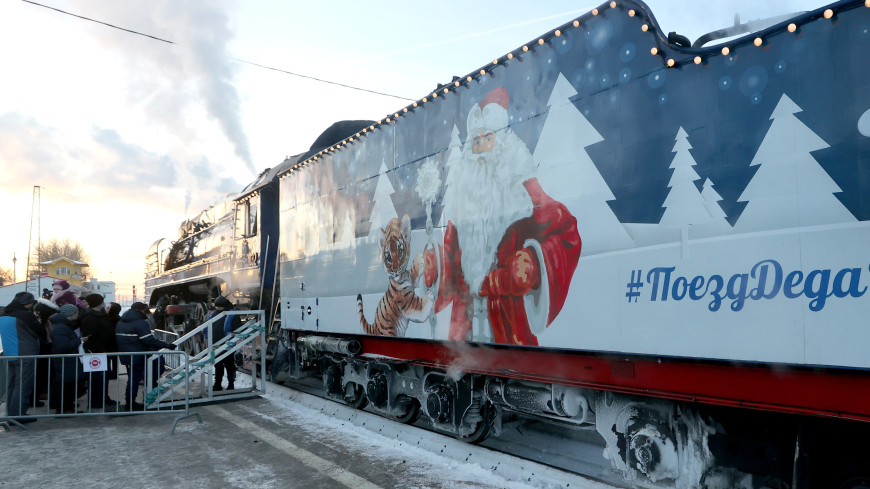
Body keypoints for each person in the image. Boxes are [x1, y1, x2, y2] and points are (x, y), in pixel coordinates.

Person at [426, 87, 582, 346]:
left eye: (487, 139)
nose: (480, 150)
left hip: (507, 325)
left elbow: (567, 232)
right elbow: (450, 269)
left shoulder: (523, 192)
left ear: (502, 145)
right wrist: (433, 266)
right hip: (464, 330)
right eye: (475, 142)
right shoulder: (463, 203)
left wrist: (533, 261)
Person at [115, 302, 175, 409]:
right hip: (138, 356)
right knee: (141, 378)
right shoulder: (141, 323)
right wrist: (166, 345)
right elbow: (148, 340)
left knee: (132, 379)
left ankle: (130, 401)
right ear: (141, 309)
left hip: (126, 356)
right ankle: (138, 401)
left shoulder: (121, 322)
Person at [0, 292, 42, 423]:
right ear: (27, 303)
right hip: (25, 353)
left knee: (12, 385)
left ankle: (12, 414)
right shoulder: (25, 316)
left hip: (9, 354)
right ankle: (18, 415)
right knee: (23, 385)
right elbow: (39, 330)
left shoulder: (4, 314)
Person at [79, 294, 118, 409]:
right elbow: (91, 335)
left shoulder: (95, 315)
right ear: (100, 302)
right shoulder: (91, 317)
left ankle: (103, 398)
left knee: (102, 377)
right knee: (97, 378)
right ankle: (96, 401)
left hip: (102, 350)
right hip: (96, 352)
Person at [49, 304, 83, 414]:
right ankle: (64, 409)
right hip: (65, 361)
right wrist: (79, 340)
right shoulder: (61, 327)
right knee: (67, 386)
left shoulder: (62, 325)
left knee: (67, 385)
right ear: (70, 314)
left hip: (67, 362)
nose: (78, 314)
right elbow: (62, 346)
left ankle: (66, 407)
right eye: (76, 313)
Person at [32, 298, 59, 408]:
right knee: (42, 374)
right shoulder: (40, 322)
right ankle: (39, 395)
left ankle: (41, 394)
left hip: (44, 350)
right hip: (43, 351)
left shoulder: (44, 321)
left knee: (43, 374)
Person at [210, 296, 240, 391]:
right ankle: (217, 384)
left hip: (227, 344)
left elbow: (237, 328)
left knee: (229, 364)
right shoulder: (215, 313)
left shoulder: (233, 314)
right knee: (218, 364)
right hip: (216, 343)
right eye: (216, 307)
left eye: (219, 307)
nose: (217, 309)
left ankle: (231, 384)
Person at [105, 302, 122, 380]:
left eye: (108, 308)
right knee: (112, 358)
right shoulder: (109, 317)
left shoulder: (115, 319)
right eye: (106, 307)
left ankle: (112, 373)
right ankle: (112, 373)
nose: (106, 309)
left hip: (112, 341)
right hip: (111, 342)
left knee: (112, 358)